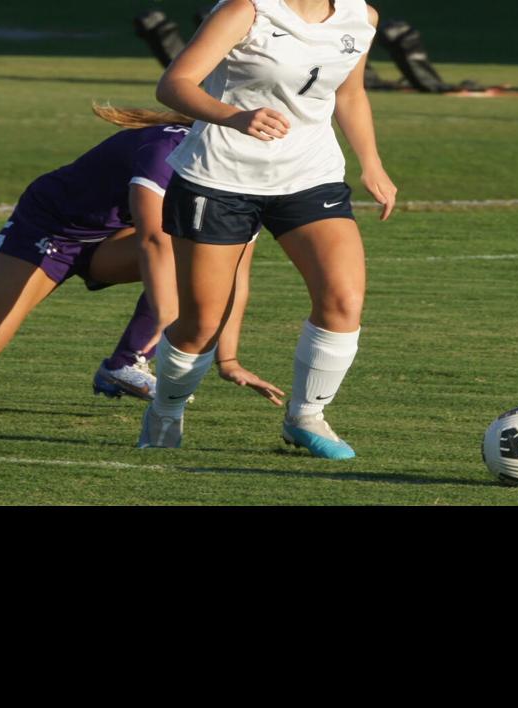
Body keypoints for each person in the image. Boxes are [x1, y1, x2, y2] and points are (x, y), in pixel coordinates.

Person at [0, 104, 284, 412]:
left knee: (204, 259)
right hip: (49, 230)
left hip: (109, 238)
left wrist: (229, 360)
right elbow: (152, 241)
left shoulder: (242, 178)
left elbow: (233, 269)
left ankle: (123, 364)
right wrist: (167, 315)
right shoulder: (168, 147)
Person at [140, 0, 397, 457]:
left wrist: (371, 164)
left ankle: (306, 416)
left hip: (310, 176)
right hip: (217, 179)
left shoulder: (362, 16)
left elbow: (350, 92)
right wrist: (235, 116)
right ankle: (166, 409)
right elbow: (174, 84)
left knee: (343, 299)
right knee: (203, 324)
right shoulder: (246, 9)